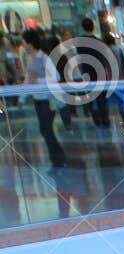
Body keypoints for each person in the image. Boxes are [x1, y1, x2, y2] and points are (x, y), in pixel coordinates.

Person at [20, 29, 68, 169]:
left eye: (23, 41)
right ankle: (57, 160)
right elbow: (28, 79)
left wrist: (38, 81)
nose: (22, 44)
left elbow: (56, 77)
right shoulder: (30, 59)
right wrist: (22, 98)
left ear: (29, 42)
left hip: (47, 99)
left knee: (46, 129)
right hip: (37, 99)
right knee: (45, 130)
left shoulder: (44, 58)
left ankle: (59, 159)